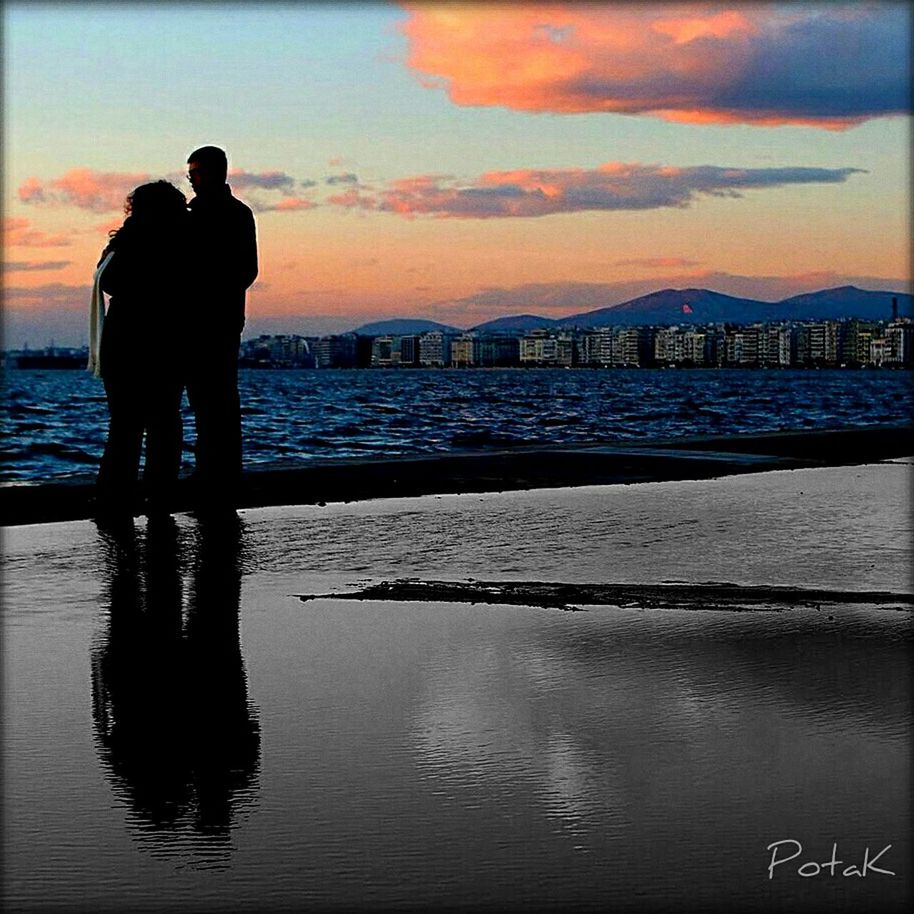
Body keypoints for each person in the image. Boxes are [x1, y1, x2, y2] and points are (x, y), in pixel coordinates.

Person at [94, 180, 190, 518]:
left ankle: (114, 496)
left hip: (121, 344)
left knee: (124, 426)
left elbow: (106, 281)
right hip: (165, 343)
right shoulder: (180, 243)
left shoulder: (121, 243)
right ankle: (159, 495)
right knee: (164, 423)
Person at [184, 145, 258, 511]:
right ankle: (216, 471)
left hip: (213, 320)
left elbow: (246, 270)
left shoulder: (229, 214)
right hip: (215, 319)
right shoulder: (211, 213)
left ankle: (219, 473)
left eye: (195, 173)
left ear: (214, 172)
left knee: (215, 400)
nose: (192, 180)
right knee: (212, 400)